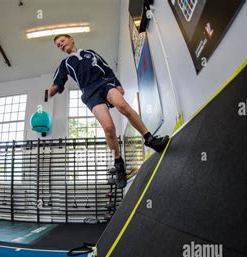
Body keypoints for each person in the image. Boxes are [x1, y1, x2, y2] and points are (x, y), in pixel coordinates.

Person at [49, 34, 169, 188]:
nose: (60, 45)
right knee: (108, 127)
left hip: (104, 83)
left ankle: (150, 139)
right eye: (58, 45)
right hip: (89, 92)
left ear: (71, 39)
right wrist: (52, 90)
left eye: (62, 41)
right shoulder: (65, 63)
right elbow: (58, 81)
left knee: (123, 106)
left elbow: (106, 68)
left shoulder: (90, 52)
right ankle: (118, 163)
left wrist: (117, 84)